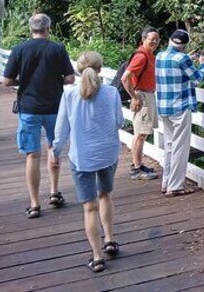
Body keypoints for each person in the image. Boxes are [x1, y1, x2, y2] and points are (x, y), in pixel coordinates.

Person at [49, 52, 124, 273]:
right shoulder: (111, 92)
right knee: (105, 195)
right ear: (100, 69)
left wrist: (56, 149)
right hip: (107, 153)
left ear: (79, 70)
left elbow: (62, 127)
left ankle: (97, 256)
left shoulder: (70, 94)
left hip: (82, 157)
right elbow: (119, 122)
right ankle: (110, 239)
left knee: (89, 207)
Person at [0, 13, 75, 219]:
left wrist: (22, 81)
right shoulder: (57, 49)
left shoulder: (20, 49)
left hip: (28, 108)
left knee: (32, 155)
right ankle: (54, 191)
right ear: (48, 28)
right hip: (55, 108)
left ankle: (34, 203)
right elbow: (69, 78)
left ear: (30, 29)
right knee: (54, 148)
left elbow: (6, 81)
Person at [155, 29, 204, 197]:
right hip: (180, 107)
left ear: (170, 40)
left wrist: (189, 59)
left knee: (169, 145)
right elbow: (198, 79)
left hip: (164, 108)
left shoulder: (160, 56)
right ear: (184, 45)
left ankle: (166, 183)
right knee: (180, 147)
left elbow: (176, 67)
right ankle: (176, 186)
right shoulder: (182, 58)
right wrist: (203, 64)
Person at [122, 26, 161, 180]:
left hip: (147, 94)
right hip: (142, 95)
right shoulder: (142, 56)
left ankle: (137, 164)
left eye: (157, 40)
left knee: (142, 134)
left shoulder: (149, 55)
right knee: (140, 134)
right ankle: (137, 169)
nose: (155, 42)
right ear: (143, 39)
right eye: (152, 39)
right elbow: (125, 78)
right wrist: (135, 97)